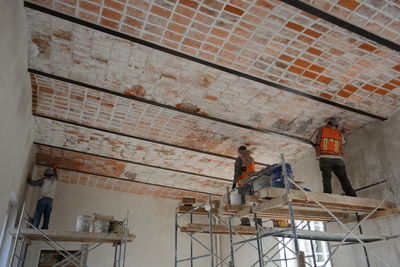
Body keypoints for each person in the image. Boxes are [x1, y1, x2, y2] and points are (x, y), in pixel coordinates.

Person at [311, 117, 357, 197]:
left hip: (324, 158)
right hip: (338, 160)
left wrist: (316, 147)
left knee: (327, 178)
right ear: (336, 125)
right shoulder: (338, 133)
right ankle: (352, 195)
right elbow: (343, 142)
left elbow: (311, 140)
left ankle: (328, 196)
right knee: (343, 178)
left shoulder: (320, 130)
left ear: (328, 123)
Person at [232, 146, 261, 226]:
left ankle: (245, 221)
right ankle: (258, 222)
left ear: (239, 151)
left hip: (243, 182)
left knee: (242, 201)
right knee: (254, 201)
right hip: (253, 182)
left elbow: (237, 172)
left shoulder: (239, 159)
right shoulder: (251, 158)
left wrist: (234, 183)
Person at [27, 165, 58, 229]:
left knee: (38, 214)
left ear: (45, 174)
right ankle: (45, 228)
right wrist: (54, 168)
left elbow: (33, 183)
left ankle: (34, 228)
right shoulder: (55, 180)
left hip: (42, 199)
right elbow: (55, 174)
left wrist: (29, 178)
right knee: (47, 216)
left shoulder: (43, 180)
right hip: (50, 201)